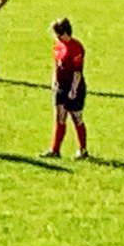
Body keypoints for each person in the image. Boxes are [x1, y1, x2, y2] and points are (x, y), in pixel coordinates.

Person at [42, 18, 88, 160]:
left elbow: (77, 72)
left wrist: (73, 89)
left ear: (65, 33)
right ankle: (55, 150)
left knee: (77, 117)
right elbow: (56, 64)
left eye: (58, 33)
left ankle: (83, 150)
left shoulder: (76, 48)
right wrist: (54, 81)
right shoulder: (58, 45)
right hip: (60, 87)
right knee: (60, 117)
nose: (56, 36)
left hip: (74, 87)